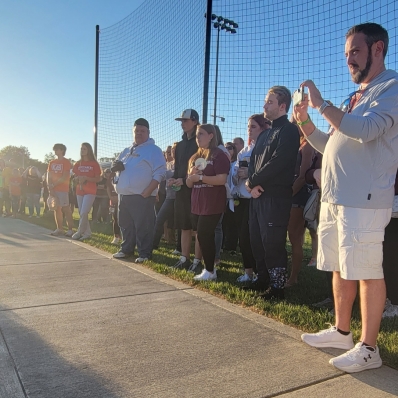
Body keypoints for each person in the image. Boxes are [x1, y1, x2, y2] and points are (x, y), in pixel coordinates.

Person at [296, 23, 398, 373]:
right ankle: (341, 332)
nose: (349, 60)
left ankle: (369, 349)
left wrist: (320, 103)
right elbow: (333, 143)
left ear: (378, 49)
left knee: (368, 271)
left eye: (355, 51)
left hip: (365, 200)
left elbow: (367, 130)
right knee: (341, 265)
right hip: (337, 197)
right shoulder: (352, 97)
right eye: (346, 54)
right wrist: (306, 123)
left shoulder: (391, 87)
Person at [244, 86, 300, 300]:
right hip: (257, 196)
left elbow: (279, 161)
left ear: (282, 106)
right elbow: (254, 163)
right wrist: (251, 184)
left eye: (269, 102)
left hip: (276, 197)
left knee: (272, 242)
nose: (264, 105)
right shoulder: (264, 134)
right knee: (256, 238)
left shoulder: (289, 130)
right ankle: (262, 279)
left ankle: (278, 288)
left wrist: (253, 181)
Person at [112, 118, 166, 262]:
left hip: (142, 196)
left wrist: (148, 191)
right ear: (133, 132)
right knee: (125, 225)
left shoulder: (154, 150)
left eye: (142, 131)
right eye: (137, 131)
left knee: (144, 226)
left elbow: (160, 172)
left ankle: (145, 253)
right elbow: (117, 168)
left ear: (148, 132)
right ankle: (126, 249)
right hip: (123, 195)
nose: (139, 133)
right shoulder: (125, 151)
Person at [186, 124, 230, 281]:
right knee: (202, 236)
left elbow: (221, 179)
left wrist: (200, 178)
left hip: (213, 203)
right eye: (197, 135)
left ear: (211, 136)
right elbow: (189, 184)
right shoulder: (195, 157)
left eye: (201, 134)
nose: (197, 138)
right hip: (197, 203)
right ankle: (209, 268)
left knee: (205, 234)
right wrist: (191, 177)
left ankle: (210, 270)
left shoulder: (219, 155)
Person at [233, 114, 271, 282]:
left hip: (259, 198)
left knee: (258, 237)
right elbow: (233, 171)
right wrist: (237, 174)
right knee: (244, 237)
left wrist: (250, 173)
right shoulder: (244, 151)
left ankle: (261, 272)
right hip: (243, 199)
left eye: (253, 126)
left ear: (263, 128)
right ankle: (248, 272)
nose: (249, 130)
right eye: (248, 127)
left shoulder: (267, 147)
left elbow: (268, 172)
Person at [168, 109, 200, 269]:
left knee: (198, 228)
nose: (183, 123)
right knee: (184, 225)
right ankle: (184, 258)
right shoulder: (180, 145)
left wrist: (185, 179)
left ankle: (197, 261)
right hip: (181, 191)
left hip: (197, 190)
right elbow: (178, 168)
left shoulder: (200, 143)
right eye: (181, 121)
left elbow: (200, 168)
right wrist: (174, 178)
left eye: (186, 120)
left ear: (195, 121)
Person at [285, 123, 315, 287]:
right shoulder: (291, 144)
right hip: (286, 194)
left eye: (297, 123)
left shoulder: (307, 145)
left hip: (297, 196)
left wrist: (287, 195)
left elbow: (303, 176)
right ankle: (284, 272)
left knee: (295, 238)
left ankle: (293, 277)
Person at [153, 142, 181, 252]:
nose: (173, 152)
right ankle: (153, 244)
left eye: (175, 150)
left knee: (179, 223)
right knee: (159, 219)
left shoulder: (184, 164)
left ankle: (179, 248)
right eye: (172, 150)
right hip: (169, 197)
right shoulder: (167, 165)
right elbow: (161, 177)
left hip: (180, 197)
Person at [72, 143, 102, 241]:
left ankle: (79, 231)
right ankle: (87, 233)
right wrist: (77, 178)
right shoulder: (78, 163)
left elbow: (98, 178)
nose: (82, 150)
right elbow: (74, 176)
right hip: (79, 190)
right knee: (82, 212)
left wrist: (86, 178)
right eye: (81, 149)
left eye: (84, 149)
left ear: (89, 150)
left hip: (90, 190)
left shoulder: (94, 163)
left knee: (84, 211)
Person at [47, 144, 74, 236]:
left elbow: (65, 176)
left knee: (66, 208)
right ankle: (59, 228)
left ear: (62, 150)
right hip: (53, 189)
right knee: (56, 208)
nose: (55, 151)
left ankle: (70, 229)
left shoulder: (66, 162)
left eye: (57, 149)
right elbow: (49, 175)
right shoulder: (52, 162)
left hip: (62, 189)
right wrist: (50, 186)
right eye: (54, 149)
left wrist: (54, 184)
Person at [382, 172, 398, 318]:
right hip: (387, 212)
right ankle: (390, 300)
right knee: (387, 259)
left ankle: (394, 303)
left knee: (392, 259)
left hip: (393, 212)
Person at [105, 168, 121, 245]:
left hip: (121, 198)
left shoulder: (124, 173)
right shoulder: (112, 175)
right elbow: (108, 186)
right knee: (115, 217)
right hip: (113, 199)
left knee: (122, 218)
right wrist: (110, 197)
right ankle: (116, 236)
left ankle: (124, 236)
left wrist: (119, 198)